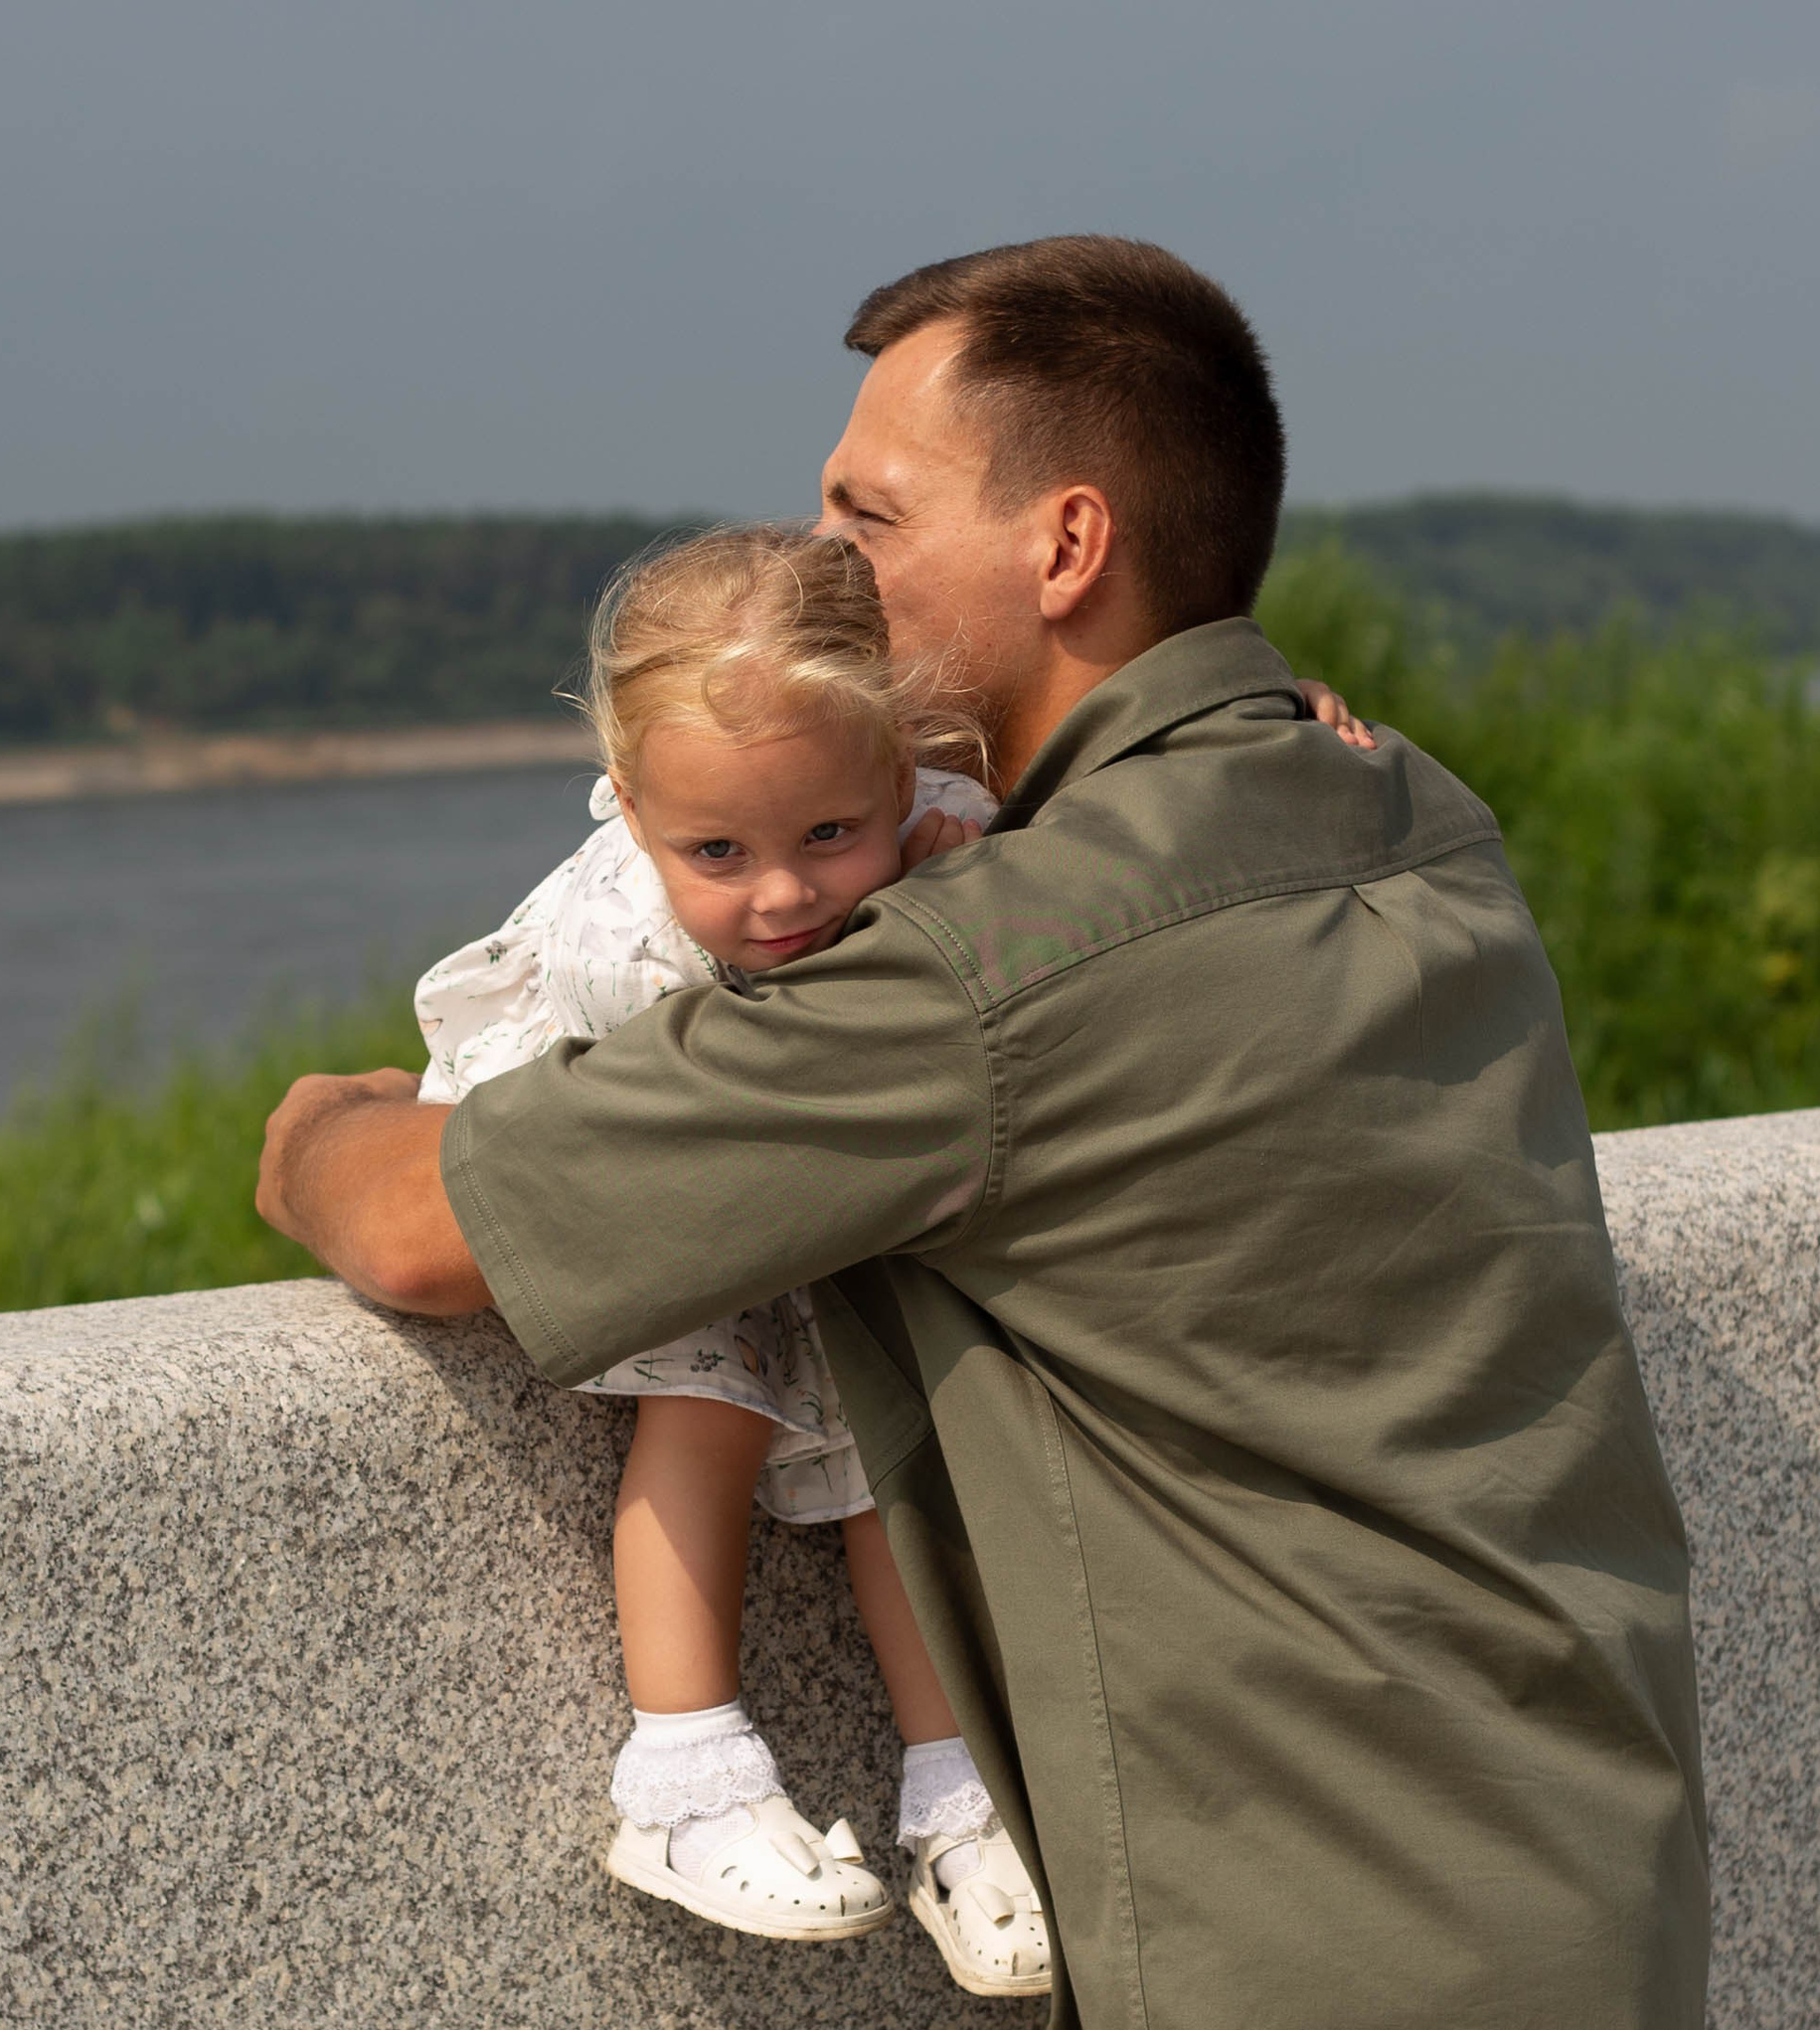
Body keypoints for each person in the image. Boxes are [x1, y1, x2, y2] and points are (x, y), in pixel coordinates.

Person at [260, 235, 1710, 2028]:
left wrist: (327, 1114)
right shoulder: (1412, 811)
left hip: (1319, 1938)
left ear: (1068, 545)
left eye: (867, 517)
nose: (821, 568)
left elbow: (424, 1228)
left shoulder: (987, 964)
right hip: (1594, 1871)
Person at [409, 522, 1034, 1986]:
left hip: (801, 1171)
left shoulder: (937, 822)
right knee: (712, 1397)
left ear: (898, 774)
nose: (782, 896)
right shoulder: (627, 950)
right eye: (718, 853)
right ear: (633, 813)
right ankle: (683, 1775)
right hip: (637, 1170)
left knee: (894, 1449)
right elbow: (667, 1149)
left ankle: (960, 1800)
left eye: (829, 836)